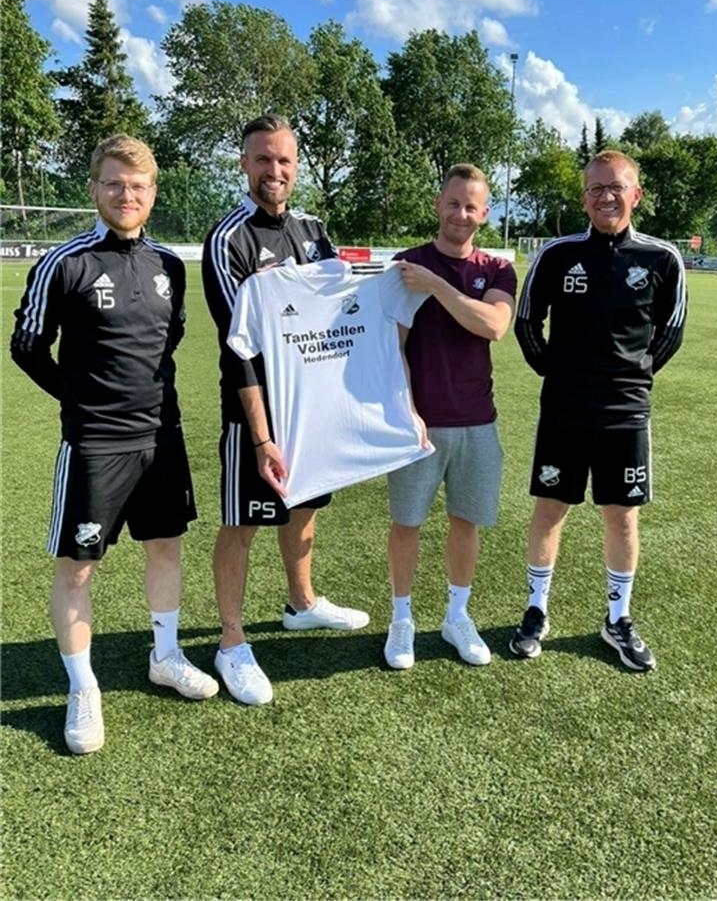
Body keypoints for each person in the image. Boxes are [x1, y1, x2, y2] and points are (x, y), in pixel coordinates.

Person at [10, 135, 218, 756]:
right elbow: (27, 347)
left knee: (166, 547)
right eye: (113, 184)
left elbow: (168, 342)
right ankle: (82, 687)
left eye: (138, 186)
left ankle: (166, 654)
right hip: (97, 444)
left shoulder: (169, 268)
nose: (126, 195)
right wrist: (78, 402)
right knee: (78, 568)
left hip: (163, 435)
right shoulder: (64, 263)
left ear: (153, 194)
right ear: (95, 188)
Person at [202, 114, 368, 706]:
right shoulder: (228, 241)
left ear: (296, 166)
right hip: (256, 415)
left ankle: (301, 603)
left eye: (285, 161)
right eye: (263, 160)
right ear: (244, 163)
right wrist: (261, 435)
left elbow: (335, 320)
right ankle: (231, 641)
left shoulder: (314, 231)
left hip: (310, 411)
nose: (275, 171)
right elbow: (240, 344)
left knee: (304, 506)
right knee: (244, 521)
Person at [511, 149, 687, 670]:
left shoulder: (662, 259)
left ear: (636, 195)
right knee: (550, 509)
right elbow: (526, 323)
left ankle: (618, 619)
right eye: (596, 189)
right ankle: (536, 610)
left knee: (622, 517)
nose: (606, 197)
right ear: (583, 197)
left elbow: (671, 331)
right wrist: (557, 375)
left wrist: (634, 376)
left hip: (626, 414)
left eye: (617, 188)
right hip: (564, 410)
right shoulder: (557, 254)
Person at [383, 164, 517, 670]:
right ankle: (402, 621)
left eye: (471, 206)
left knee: (467, 523)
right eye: (453, 202)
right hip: (418, 425)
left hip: (478, 422)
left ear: (484, 213)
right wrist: (406, 411)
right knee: (406, 524)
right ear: (439, 205)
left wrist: (437, 285)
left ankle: (457, 617)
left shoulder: (497, 269)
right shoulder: (405, 264)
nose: (461, 213)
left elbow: (494, 326)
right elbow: (391, 350)